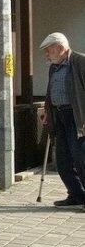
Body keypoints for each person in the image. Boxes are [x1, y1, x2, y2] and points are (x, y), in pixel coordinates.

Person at [40, 32, 85, 207]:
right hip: (59, 116)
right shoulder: (54, 67)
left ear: (60, 48)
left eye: (48, 50)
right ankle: (77, 195)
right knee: (63, 160)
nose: (46, 54)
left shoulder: (80, 62)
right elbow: (50, 90)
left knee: (80, 157)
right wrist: (47, 110)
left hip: (77, 116)